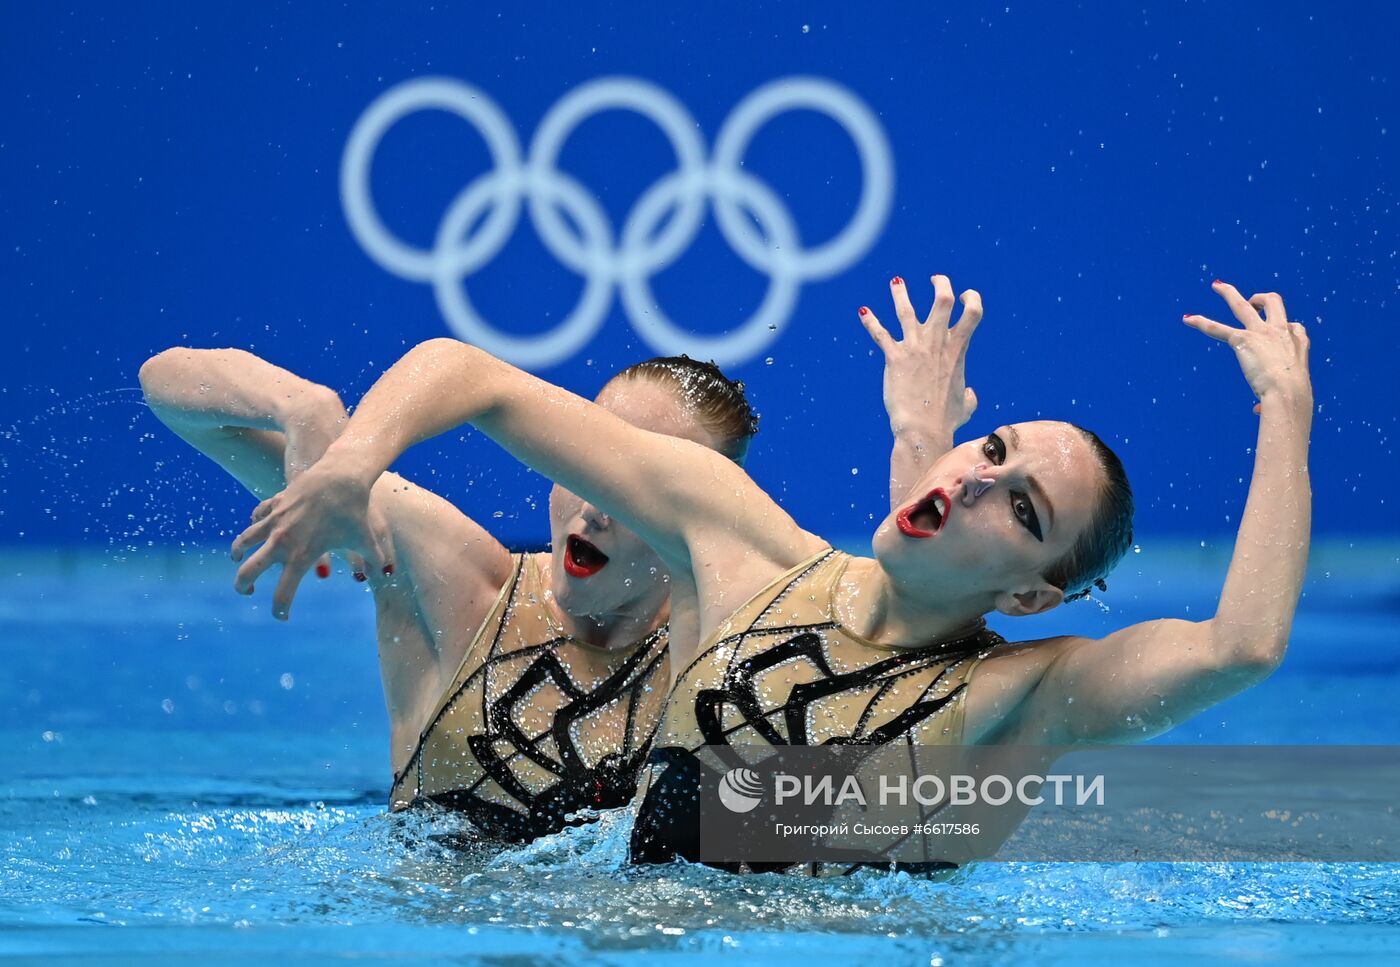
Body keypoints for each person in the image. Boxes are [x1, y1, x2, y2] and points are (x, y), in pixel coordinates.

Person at [227, 277, 1311, 872]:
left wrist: (1284, 412)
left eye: (1021, 505)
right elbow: (468, 375)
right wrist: (351, 463)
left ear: (1031, 595)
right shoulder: (738, 545)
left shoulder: (1015, 704)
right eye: (991, 451)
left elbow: (1240, 645)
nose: (982, 483)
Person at [140, 350, 770, 841]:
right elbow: (166, 385)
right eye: (590, 463)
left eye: (642, 487)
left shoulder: (739, 663)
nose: (596, 507)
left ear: (703, 516)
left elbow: (845, 833)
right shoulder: (463, 588)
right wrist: (299, 405)